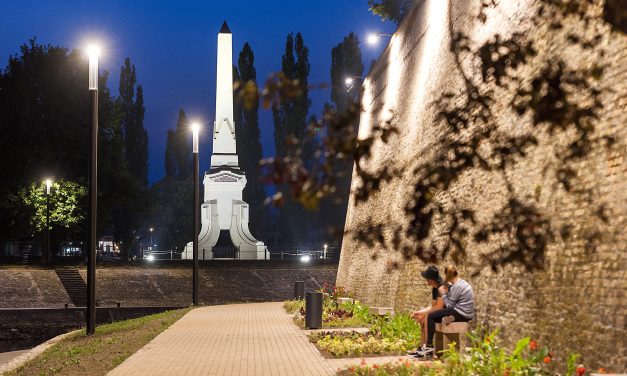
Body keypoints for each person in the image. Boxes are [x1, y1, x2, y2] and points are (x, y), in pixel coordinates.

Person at [416, 265, 474, 358]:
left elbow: (449, 305)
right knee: (436, 315)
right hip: (464, 311)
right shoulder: (461, 283)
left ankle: (429, 345)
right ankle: (450, 318)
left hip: (462, 313)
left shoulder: (456, 286)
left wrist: (443, 293)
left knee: (431, 316)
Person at [407, 266, 444, 355]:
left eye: (426, 278)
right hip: (438, 311)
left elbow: (439, 307)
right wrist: (420, 312)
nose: (425, 280)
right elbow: (432, 306)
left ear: (430, 279)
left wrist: (424, 313)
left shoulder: (441, 288)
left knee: (427, 318)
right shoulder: (435, 288)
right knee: (423, 321)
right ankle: (422, 347)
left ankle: (428, 346)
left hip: (445, 312)